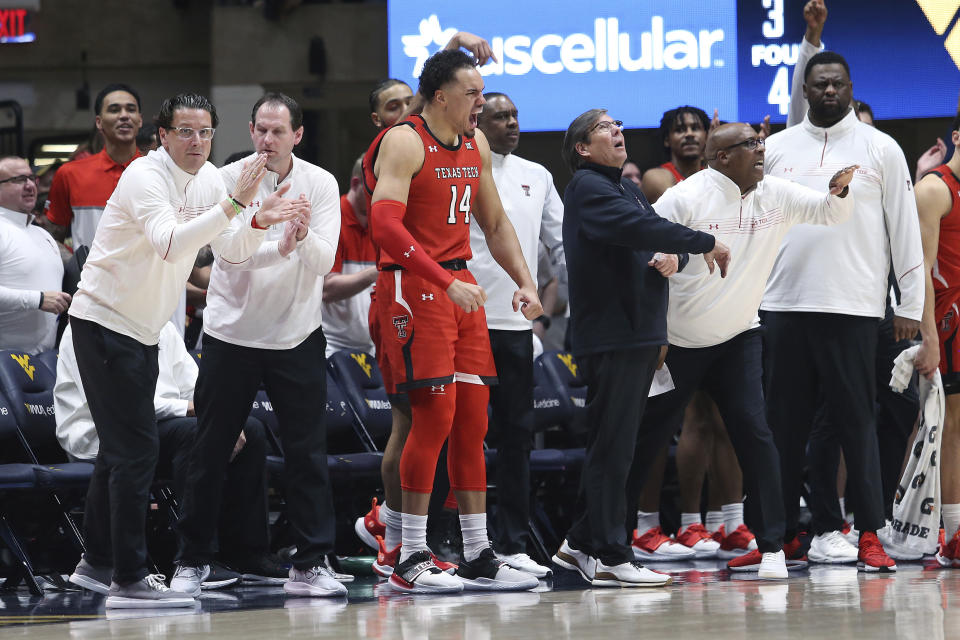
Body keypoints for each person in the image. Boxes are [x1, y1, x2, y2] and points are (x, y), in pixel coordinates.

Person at [66, 92, 302, 609]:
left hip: (146, 329)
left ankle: (95, 564)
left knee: (120, 451)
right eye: (186, 132)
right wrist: (238, 205)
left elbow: (233, 250)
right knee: (137, 450)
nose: (197, 142)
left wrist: (270, 236)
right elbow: (172, 243)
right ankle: (128, 579)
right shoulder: (144, 176)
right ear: (164, 136)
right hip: (103, 322)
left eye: (206, 132)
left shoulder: (214, 179)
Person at [631, 122, 857, 580]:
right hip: (679, 342)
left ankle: (771, 545)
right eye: (749, 145)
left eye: (761, 142)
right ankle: (612, 541)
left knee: (756, 434)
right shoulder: (684, 198)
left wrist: (838, 194)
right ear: (721, 157)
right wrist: (663, 276)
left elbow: (829, 214)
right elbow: (643, 251)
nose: (760, 150)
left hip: (739, 336)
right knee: (647, 436)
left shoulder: (776, 192)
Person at [365, 48, 542, 594]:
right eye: (472, 93)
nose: (481, 102)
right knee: (431, 417)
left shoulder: (476, 143)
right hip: (412, 287)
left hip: (460, 287)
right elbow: (385, 225)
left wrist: (525, 281)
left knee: (473, 420)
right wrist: (444, 282)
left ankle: (476, 552)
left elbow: (494, 219)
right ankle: (409, 554)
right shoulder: (404, 139)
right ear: (441, 96)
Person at [170, 92, 345, 598]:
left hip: (297, 334)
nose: (267, 140)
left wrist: (302, 236)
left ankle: (311, 563)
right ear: (250, 132)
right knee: (210, 448)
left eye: (278, 131)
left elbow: (324, 263)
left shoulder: (321, 183)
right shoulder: (225, 180)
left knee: (308, 454)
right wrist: (270, 231)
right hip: (231, 334)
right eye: (260, 130)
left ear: (297, 135)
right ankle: (192, 559)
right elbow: (231, 257)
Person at [551, 109, 728, 588]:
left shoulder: (625, 188)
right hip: (611, 336)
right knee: (612, 447)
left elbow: (648, 237)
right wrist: (703, 241)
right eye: (606, 128)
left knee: (621, 446)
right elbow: (640, 230)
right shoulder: (588, 187)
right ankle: (610, 551)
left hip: (640, 334)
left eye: (620, 125)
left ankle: (582, 544)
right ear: (583, 148)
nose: (619, 131)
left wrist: (677, 252)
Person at [762, 51, 923, 573]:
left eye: (837, 84)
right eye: (820, 84)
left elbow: (905, 230)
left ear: (850, 87)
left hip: (855, 307)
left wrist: (912, 306)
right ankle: (785, 534)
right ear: (805, 91)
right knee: (784, 427)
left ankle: (871, 533)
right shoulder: (775, 149)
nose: (829, 92)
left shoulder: (882, 148)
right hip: (782, 304)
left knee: (858, 424)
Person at [56, 322, 271, 593]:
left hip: (163, 425)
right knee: (193, 435)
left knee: (250, 429)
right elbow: (123, 401)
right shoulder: (90, 323)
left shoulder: (162, 323)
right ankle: (195, 559)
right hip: (104, 431)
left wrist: (221, 416)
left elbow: (196, 385)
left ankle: (248, 553)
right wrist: (193, 411)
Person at [471, 91, 564, 578]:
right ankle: (456, 541)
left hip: (516, 327)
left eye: (514, 115)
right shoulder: (461, 167)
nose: (511, 122)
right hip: (466, 321)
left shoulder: (539, 174)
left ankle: (510, 541)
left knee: (516, 437)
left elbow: (562, 242)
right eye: (499, 116)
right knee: (459, 436)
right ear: (477, 121)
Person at [913, 111, 960, 567]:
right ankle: (950, 529)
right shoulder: (933, 188)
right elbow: (920, 271)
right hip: (950, 319)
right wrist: (928, 335)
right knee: (948, 426)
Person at [45, 84, 143, 248]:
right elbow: (51, 240)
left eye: (131, 109)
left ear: (139, 120)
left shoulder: (161, 172)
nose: (124, 115)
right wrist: (76, 266)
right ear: (99, 122)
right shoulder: (70, 173)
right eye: (114, 110)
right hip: (89, 273)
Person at [0, 156, 68, 353]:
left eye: (31, 178)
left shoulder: (42, 234)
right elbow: (42, 298)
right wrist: (37, 299)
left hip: (45, 360)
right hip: (4, 362)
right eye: (19, 180)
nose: (29, 186)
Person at [321, 155, 377, 356]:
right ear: (356, 184)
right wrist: (376, 272)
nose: (383, 196)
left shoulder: (381, 222)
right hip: (330, 346)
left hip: (372, 348)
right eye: (375, 189)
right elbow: (325, 289)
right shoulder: (331, 219)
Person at [640, 106, 710, 203]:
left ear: (707, 136)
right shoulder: (654, 177)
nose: (689, 134)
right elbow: (684, 209)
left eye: (695, 128)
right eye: (680, 130)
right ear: (667, 140)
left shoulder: (711, 175)